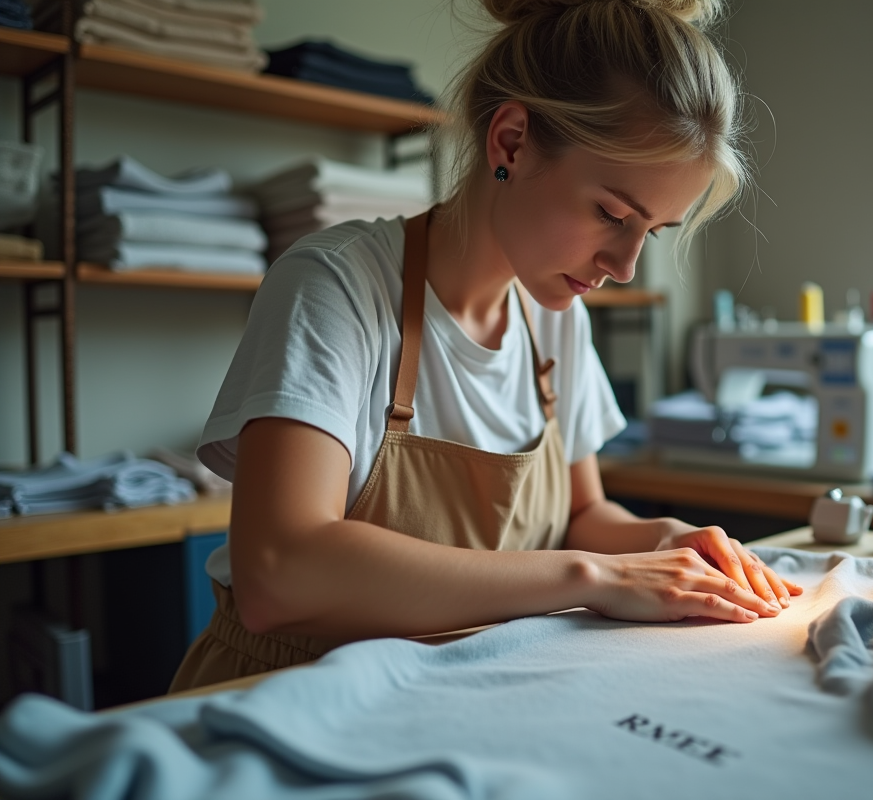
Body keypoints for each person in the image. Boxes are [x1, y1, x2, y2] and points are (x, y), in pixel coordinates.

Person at [170, 0, 801, 692]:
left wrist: (665, 542)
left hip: (459, 687)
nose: (623, 265)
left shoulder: (554, 317)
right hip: (291, 694)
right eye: (610, 214)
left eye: (651, 232)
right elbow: (281, 571)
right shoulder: (338, 287)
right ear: (510, 143)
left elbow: (583, 516)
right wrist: (597, 576)